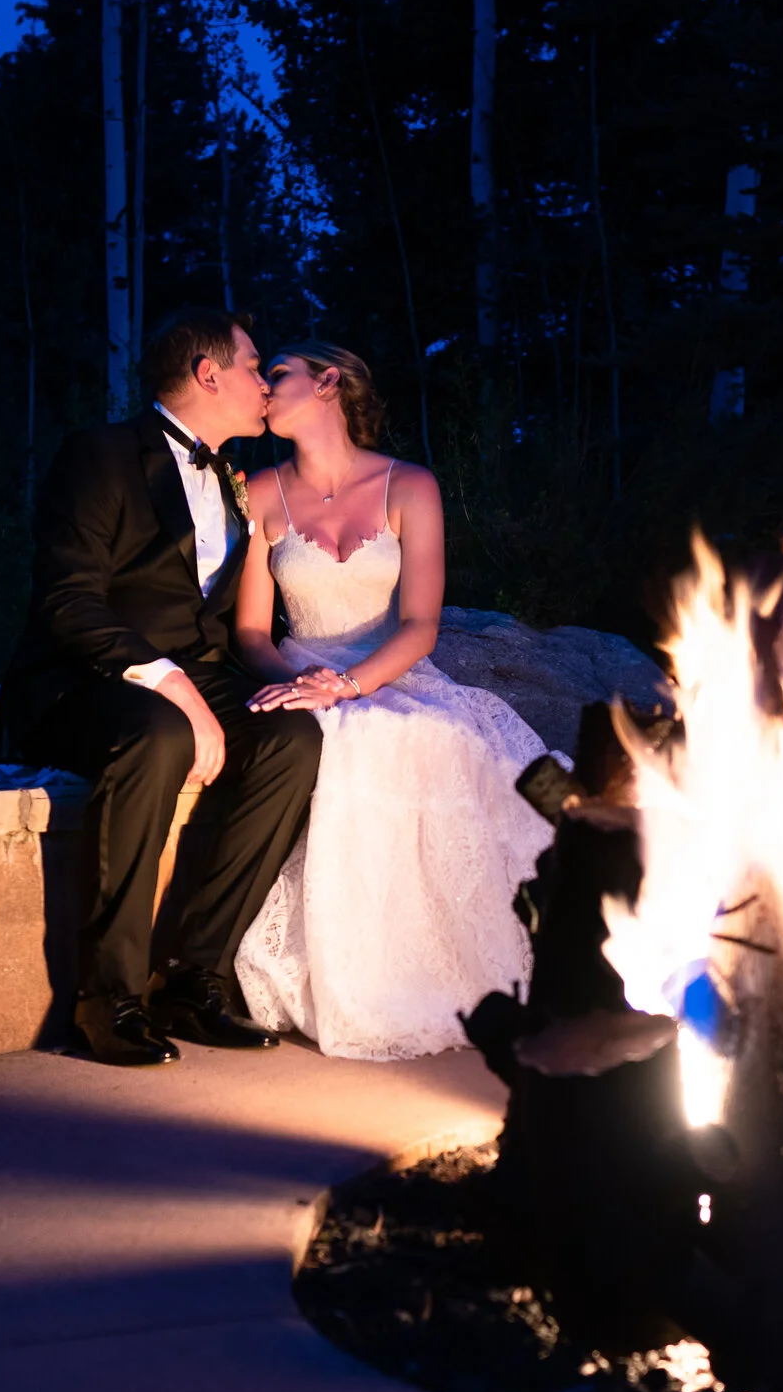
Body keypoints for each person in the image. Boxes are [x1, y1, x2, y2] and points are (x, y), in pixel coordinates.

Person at [0, 309, 321, 1067]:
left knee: (293, 737)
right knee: (159, 731)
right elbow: (68, 601)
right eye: (251, 366)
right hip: (85, 683)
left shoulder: (235, 481)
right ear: (209, 373)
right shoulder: (100, 455)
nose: (263, 382)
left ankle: (197, 975)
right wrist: (175, 688)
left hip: (196, 678)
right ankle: (110, 996)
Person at [229, 342, 554, 1060]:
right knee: (341, 736)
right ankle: (340, 979)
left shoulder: (409, 486)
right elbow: (251, 630)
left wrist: (350, 683)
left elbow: (420, 626)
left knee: (417, 736)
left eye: (276, 374)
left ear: (329, 382)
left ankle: (418, 972)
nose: (263, 388)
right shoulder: (258, 492)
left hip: (392, 669)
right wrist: (290, 678)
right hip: (298, 664)